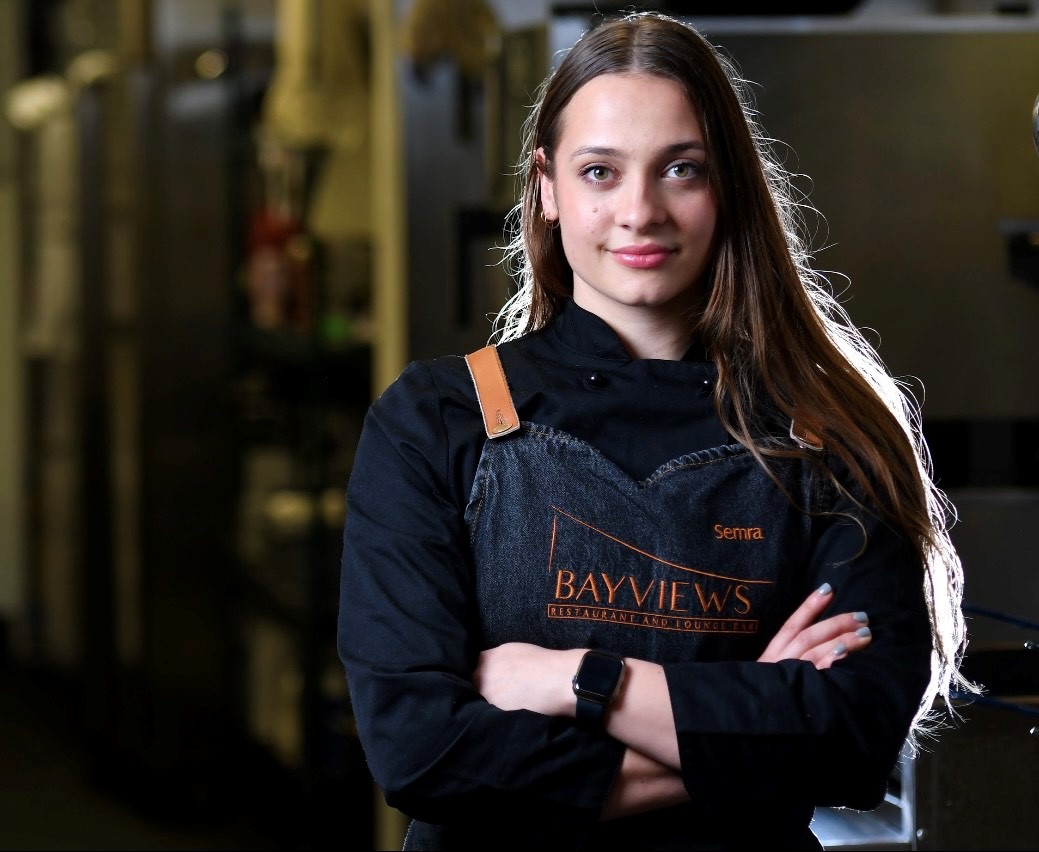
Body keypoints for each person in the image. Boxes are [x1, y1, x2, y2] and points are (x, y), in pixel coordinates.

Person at [338, 10, 973, 850]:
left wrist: (574, 680)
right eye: (600, 171)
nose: (639, 212)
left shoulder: (834, 437)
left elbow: (854, 739)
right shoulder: (435, 420)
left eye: (680, 170)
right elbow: (422, 752)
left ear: (728, 188)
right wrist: (750, 723)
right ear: (547, 187)